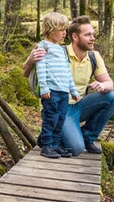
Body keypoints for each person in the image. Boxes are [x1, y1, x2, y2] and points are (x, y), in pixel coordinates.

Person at [24, 15, 114, 156]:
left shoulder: (94, 56)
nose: (93, 38)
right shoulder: (56, 51)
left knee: (113, 98)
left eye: (93, 34)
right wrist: (30, 61)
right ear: (75, 37)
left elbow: (110, 84)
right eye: (88, 35)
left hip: (79, 103)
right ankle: (51, 140)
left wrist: (102, 85)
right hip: (57, 103)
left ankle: (87, 137)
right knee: (75, 148)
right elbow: (26, 73)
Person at [34, 12, 80, 158]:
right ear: (50, 30)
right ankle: (47, 145)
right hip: (51, 92)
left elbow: (67, 72)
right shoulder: (43, 46)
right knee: (50, 119)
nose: (64, 33)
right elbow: (40, 69)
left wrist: (73, 90)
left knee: (60, 119)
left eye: (65, 30)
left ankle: (56, 144)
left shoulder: (61, 50)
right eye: (61, 30)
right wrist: (44, 87)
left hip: (63, 92)